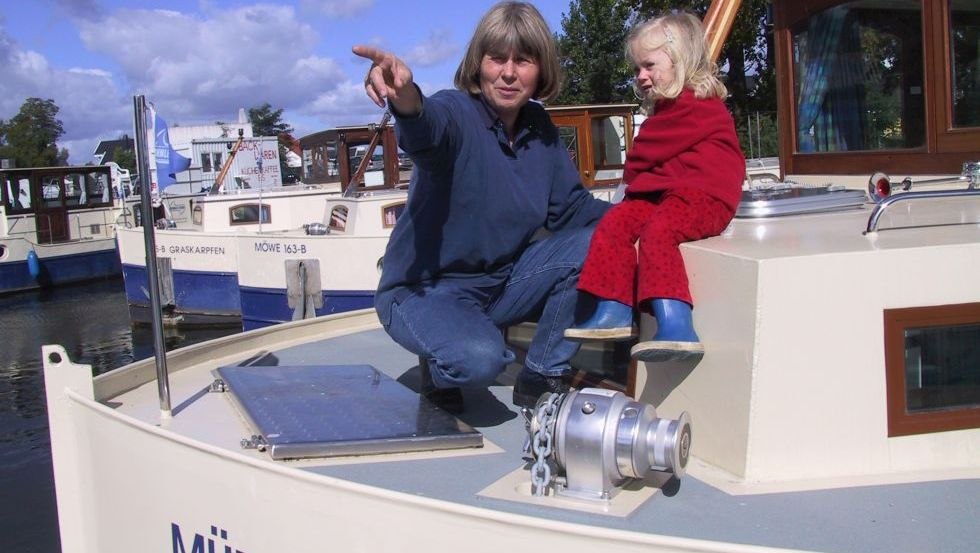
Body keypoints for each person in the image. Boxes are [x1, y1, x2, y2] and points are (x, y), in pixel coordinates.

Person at [353, 1, 609, 412]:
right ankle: (442, 361)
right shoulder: (455, 112)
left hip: (502, 284)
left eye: (523, 60)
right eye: (497, 59)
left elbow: (573, 210)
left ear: (541, 70)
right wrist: (404, 97)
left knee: (602, 240)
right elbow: (424, 127)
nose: (509, 72)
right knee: (478, 361)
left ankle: (541, 371)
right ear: (478, 63)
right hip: (425, 290)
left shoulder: (539, 126)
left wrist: (645, 216)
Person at [564, 12, 744, 362]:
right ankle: (614, 308)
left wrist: (629, 173)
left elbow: (645, 152)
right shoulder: (667, 108)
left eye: (648, 65)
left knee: (659, 233)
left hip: (706, 198)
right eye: (637, 69)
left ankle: (677, 324)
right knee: (615, 223)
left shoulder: (696, 104)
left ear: (681, 60)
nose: (641, 76)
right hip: (670, 195)